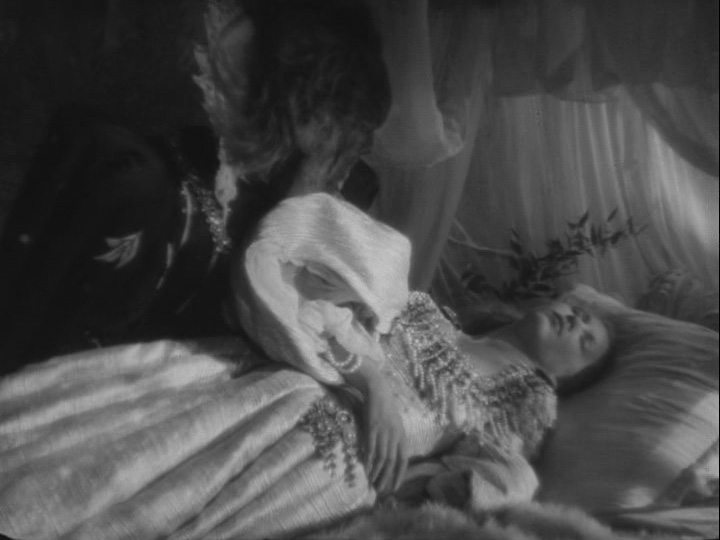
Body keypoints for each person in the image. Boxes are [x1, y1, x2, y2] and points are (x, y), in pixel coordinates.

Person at [0, 193, 614, 540]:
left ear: (566, 379)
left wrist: (415, 476)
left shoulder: (522, 406)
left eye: (589, 340)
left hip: (330, 468)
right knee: (99, 468)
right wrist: (371, 377)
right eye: (578, 312)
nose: (577, 323)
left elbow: (500, 481)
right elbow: (323, 310)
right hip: (279, 390)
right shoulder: (427, 311)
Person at [0, 0, 391, 374]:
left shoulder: (331, 203)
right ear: (303, 115)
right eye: (342, 129)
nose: (355, 153)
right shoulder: (147, 189)